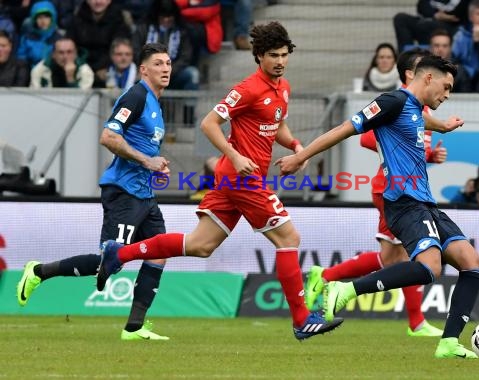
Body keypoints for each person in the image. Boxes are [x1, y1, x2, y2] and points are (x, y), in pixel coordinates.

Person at [96, 21, 344, 341]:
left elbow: (276, 124)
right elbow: (209, 123)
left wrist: (296, 146)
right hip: (241, 177)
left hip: (235, 180)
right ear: (258, 56)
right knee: (289, 238)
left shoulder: (283, 88)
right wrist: (235, 155)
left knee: (200, 245)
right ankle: (301, 320)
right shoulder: (247, 89)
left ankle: (120, 255)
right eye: (273, 55)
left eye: (284, 55)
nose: (280, 61)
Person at [276, 54, 479, 359]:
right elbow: (345, 128)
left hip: (424, 202)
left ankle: (449, 343)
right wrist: (300, 156)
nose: (447, 94)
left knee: (472, 263)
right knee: (430, 267)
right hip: (403, 202)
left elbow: (422, 120)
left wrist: (443, 127)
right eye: (447, 86)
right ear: (428, 78)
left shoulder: (414, 108)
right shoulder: (392, 102)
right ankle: (345, 290)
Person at [17, 42, 172, 341]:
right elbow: (108, 136)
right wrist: (146, 160)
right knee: (110, 263)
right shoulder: (136, 96)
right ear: (143, 69)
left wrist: (155, 163)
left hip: (144, 194)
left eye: (168, 63)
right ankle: (37, 272)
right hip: (124, 192)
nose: (165, 68)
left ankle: (134, 327)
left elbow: (142, 145)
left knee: (160, 252)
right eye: (158, 63)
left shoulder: (155, 101)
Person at [305, 48, 447, 339]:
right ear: (412, 74)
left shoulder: (424, 110)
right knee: (413, 256)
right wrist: (427, 153)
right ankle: (416, 322)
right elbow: (368, 137)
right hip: (392, 189)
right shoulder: (398, 103)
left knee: (394, 258)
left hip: (404, 190)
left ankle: (327, 277)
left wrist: (433, 145)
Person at [132, 0, 199, 90]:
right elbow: (136, 51)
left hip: (173, 74)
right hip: (148, 73)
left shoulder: (182, 31)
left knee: (192, 74)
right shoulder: (144, 28)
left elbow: (185, 57)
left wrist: (167, 70)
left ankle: (188, 105)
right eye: (163, 16)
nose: (166, 19)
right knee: (134, 78)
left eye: (169, 16)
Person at [66, 0, 131, 88]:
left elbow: (119, 48)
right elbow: (69, 45)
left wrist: (107, 68)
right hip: (81, 67)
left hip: (108, 69)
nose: (98, 2)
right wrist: (80, 66)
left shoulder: (119, 20)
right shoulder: (77, 19)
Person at [29, 37, 94, 89]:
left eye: (69, 52)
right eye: (61, 52)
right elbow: (35, 98)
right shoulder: (39, 70)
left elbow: (81, 101)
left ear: (75, 54)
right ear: (53, 54)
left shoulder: (85, 71)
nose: (65, 57)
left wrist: (70, 78)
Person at [16, 1, 62, 68]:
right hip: (30, 72)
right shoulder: (27, 38)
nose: (43, 21)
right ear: (34, 20)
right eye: (39, 17)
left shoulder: (59, 39)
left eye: (46, 17)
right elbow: (21, 59)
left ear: (52, 18)